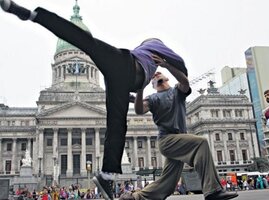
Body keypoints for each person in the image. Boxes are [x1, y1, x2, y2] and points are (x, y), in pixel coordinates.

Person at [0, 1, 187, 199]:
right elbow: (180, 71)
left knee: (116, 122)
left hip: (122, 73)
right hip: (124, 71)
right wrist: (164, 70)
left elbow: (180, 74)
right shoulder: (147, 50)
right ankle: (34, 15)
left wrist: (166, 66)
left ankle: (106, 174)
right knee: (116, 122)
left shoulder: (158, 51)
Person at [120, 56, 238, 200]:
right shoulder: (152, 98)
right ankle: (213, 191)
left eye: (158, 73)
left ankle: (135, 197)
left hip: (180, 140)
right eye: (153, 76)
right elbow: (139, 110)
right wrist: (139, 89)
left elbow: (184, 82)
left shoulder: (177, 91)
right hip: (167, 140)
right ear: (152, 84)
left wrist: (166, 64)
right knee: (201, 142)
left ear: (167, 78)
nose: (156, 74)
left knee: (168, 183)